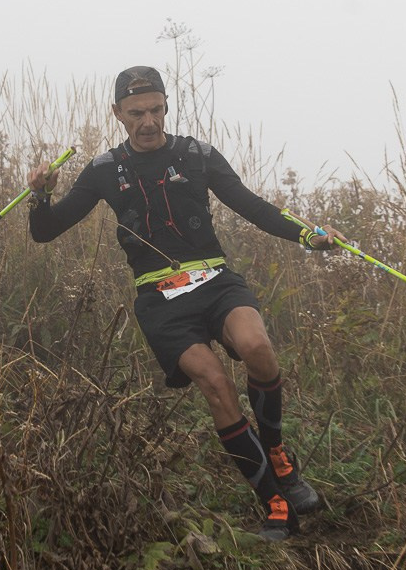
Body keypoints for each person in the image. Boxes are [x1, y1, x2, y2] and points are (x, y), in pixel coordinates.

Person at [26, 65, 346, 541]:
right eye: (136, 113)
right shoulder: (102, 170)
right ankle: (275, 504)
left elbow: (252, 205)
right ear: (117, 113)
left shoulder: (196, 154)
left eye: (155, 109)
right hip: (160, 298)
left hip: (216, 279)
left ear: (166, 107)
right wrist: (39, 196)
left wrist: (308, 234)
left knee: (256, 346)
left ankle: (278, 454)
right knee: (215, 383)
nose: (148, 121)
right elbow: (45, 231)